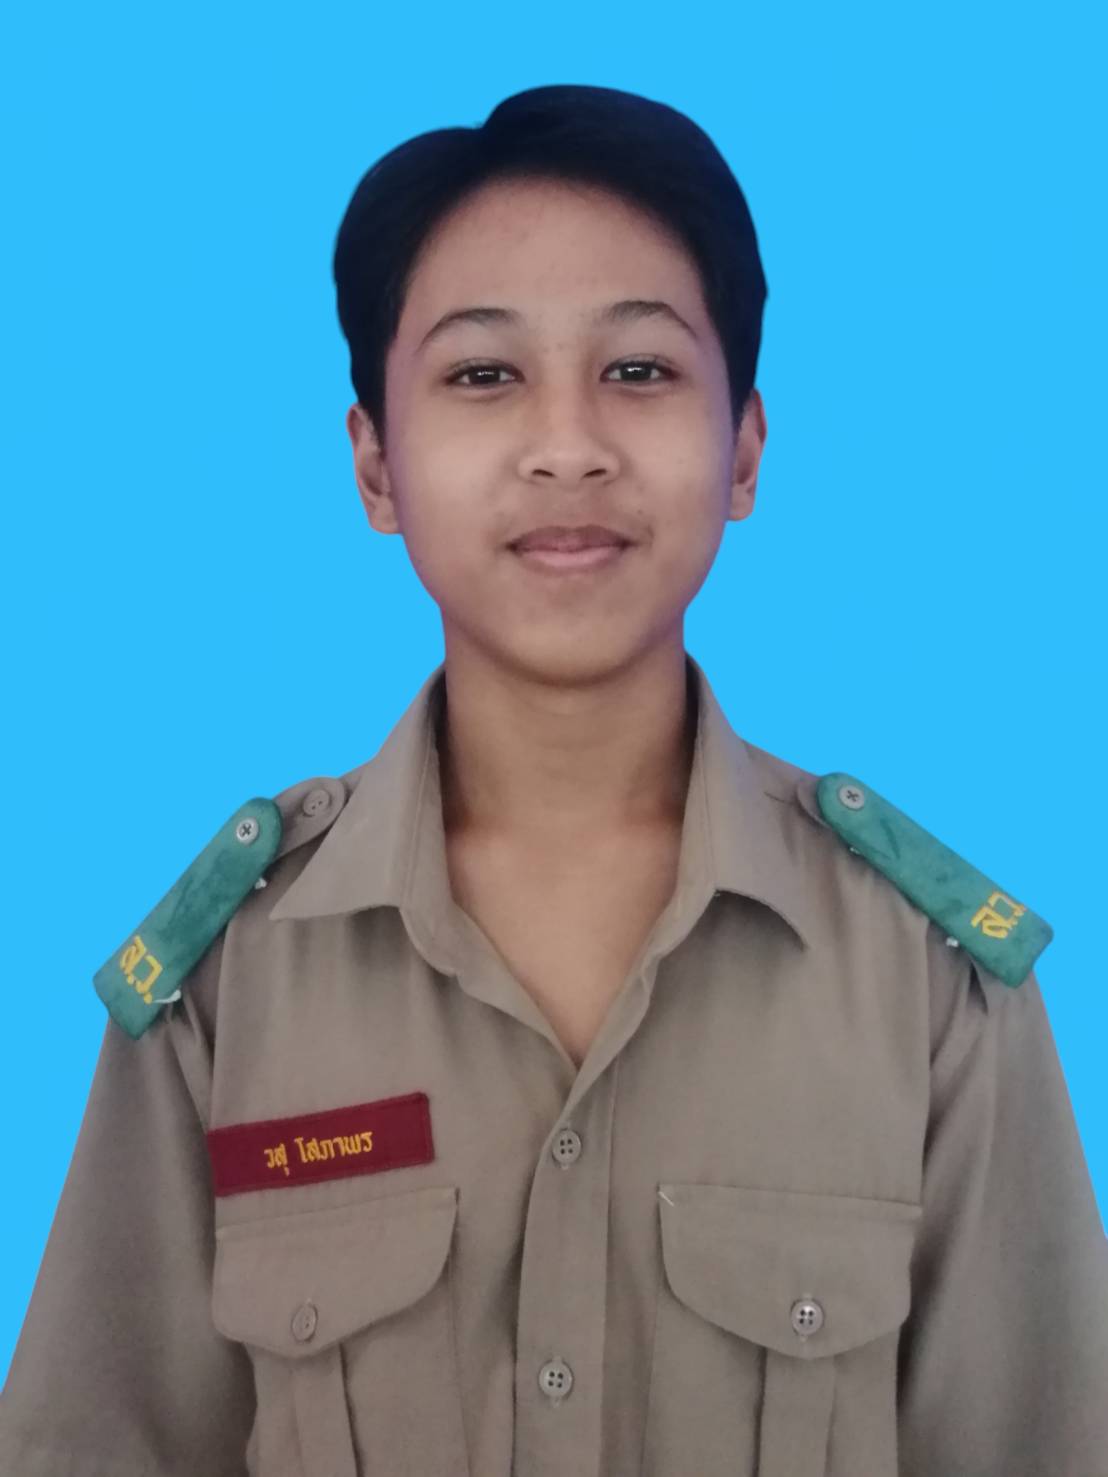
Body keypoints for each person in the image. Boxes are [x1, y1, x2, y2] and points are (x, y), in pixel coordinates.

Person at [2, 83, 1104, 1477]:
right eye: (483, 375)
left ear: (744, 449)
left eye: (639, 370)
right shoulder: (229, 981)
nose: (568, 443)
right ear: (375, 465)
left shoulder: (927, 980)